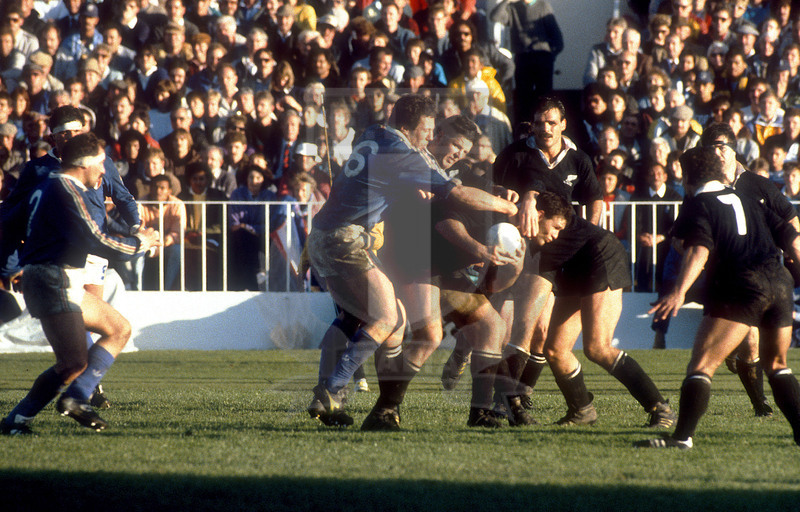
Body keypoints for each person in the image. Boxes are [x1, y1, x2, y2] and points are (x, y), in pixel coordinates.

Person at [306, 95, 517, 428]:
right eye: (428, 129)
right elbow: (453, 194)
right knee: (387, 318)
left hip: (328, 234)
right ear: (408, 126)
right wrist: (507, 207)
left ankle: (337, 398)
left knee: (362, 319)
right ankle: (334, 391)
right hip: (351, 241)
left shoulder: (375, 133)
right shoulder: (406, 156)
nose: (430, 136)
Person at [492, 96, 675, 428]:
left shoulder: (577, 160)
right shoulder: (515, 156)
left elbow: (591, 198)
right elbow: (505, 193)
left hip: (596, 254)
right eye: (539, 122)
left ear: (563, 125)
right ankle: (581, 410)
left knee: (597, 348)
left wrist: (585, 230)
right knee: (554, 348)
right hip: (556, 257)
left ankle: (659, 407)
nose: (545, 128)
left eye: (552, 122)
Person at [638, 146, 800, 449]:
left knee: (702, 365)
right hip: (779, 283)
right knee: (777, 364)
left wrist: (678, 292)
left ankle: (681, 438)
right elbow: (792, 237)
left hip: (742, 285)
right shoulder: (747, 198)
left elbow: (699, 249)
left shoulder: (700, 203)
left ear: (688, 177)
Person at [0, 132, 159, 435]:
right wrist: (140, 242)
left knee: (119, 330)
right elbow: (97, 240)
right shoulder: (66, 190)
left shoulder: (49, 186)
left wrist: (16, 265)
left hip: (57, 277)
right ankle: (18, 420)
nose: (104, 170)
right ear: (84, 164)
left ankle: (76, 397)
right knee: (73, 363)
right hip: (54, 279)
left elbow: (9, 222)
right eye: (100, 163)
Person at [490, 0, 563, 123]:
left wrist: (550, 56)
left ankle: (546, 125)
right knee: (523, 99)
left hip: (542, 57)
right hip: (522, 58)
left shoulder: (543, 6)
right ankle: (525, 129)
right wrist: (507, 1)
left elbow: (557, 38)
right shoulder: (513, 8)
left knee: (544, 98)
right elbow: (495, 17)